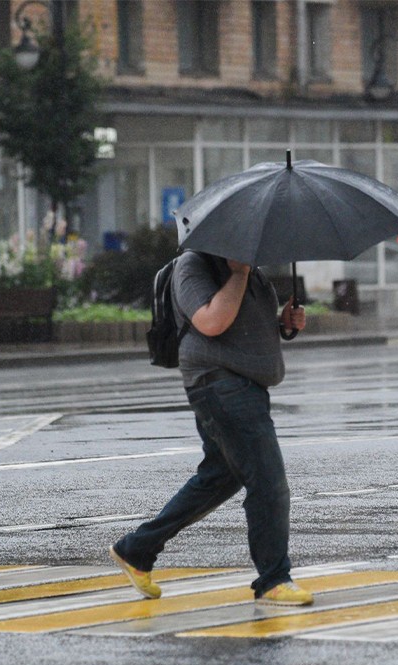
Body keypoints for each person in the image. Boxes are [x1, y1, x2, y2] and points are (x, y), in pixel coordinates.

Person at [109, 251, 311, 606]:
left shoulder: (250, 270)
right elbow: (212, 321)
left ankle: (137, 549)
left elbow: (244, 326)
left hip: (244, 385)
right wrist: (238, 276)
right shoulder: (193, 267)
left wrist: (283, 323)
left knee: (220, 476)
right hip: (219, 384)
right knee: (268, 482)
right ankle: (274, 578)